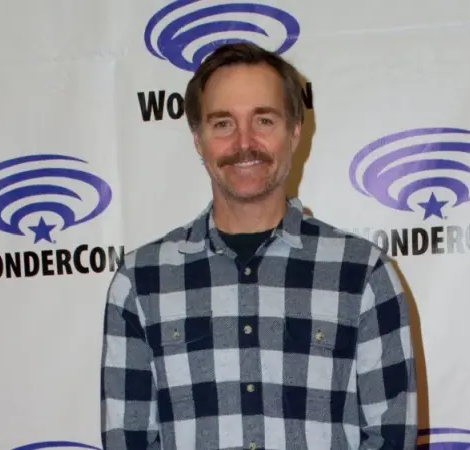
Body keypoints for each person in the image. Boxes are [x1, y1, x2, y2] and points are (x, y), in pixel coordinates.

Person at [100, 42, 417, 450]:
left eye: (264, 120)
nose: (244, 143)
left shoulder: (363, 274)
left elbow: (392, 438)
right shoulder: (140, 282)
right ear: (197, 138)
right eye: (222, 123)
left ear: (295, 131)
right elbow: (128, 441)